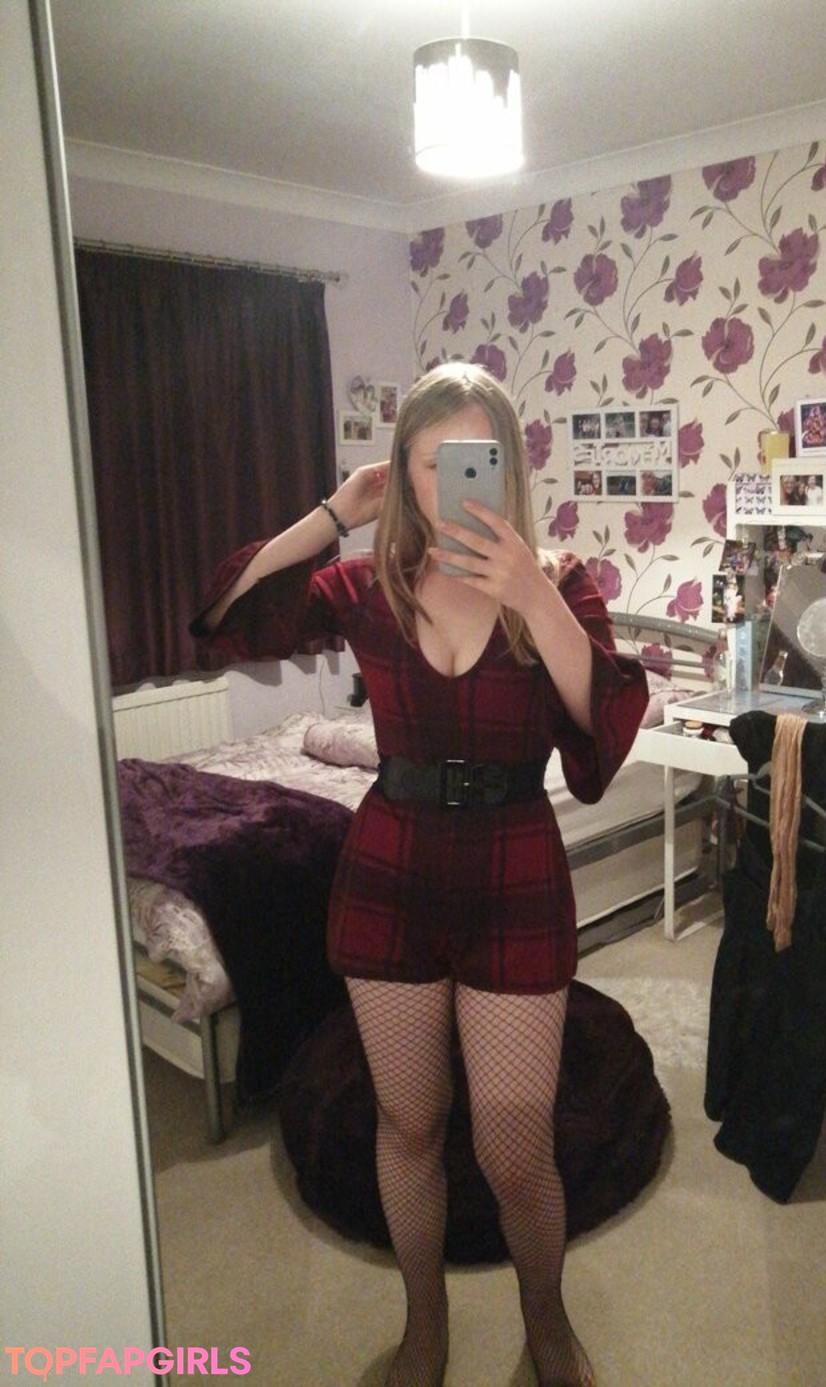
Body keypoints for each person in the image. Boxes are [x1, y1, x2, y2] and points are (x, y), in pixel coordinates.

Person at [192, 362, 647, 1387]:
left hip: (516, 873)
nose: (450, 484)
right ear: (399, 471)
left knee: (517, 1142)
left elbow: (606, 724)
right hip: (390, 873)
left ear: (508, 466)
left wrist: (531, 592)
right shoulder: (369, 586)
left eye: (472, 459)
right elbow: (227, 612)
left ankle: (545, 1320)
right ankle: (425, 1325)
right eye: (429, 463)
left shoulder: (558, 585)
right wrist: (332, 513)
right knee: (408, 1123)